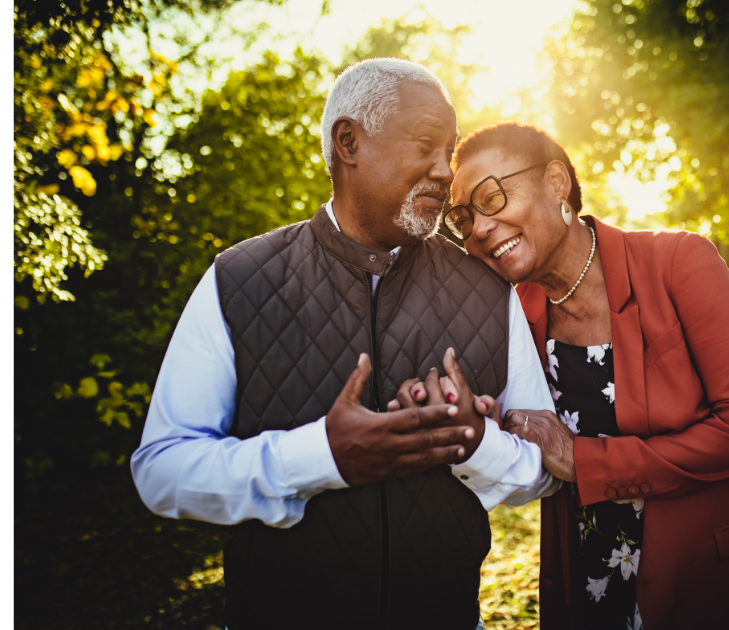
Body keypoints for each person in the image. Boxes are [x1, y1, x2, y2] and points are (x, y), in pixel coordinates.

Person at [131, 61, 560, 630]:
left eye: (449, 152)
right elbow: (162, 472)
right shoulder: (239, 280)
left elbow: (544, 469)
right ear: (349, 142)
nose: (443, 171)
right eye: (427, 145)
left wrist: (474, 441)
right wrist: (321, 457)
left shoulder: (488, 291)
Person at [444, 121, 729, 629]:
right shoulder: (512, 317)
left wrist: (585, 460)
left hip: (723, 572)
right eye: (462, 219)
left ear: (555, 182)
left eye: (491, 198)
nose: (478, 229)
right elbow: (514, 435)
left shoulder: (678, 261)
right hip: (596, 573)